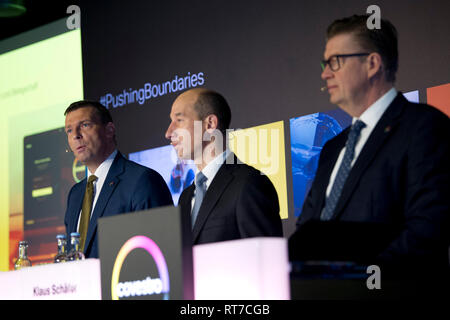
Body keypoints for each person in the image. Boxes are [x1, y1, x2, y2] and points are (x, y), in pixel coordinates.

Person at [295, 15, 450, 274]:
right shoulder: (333, 149)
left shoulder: (424, 128)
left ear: (372, 63)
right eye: (325, 63)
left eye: (335, 62)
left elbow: (428, 232)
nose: (324, 73)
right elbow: (307, 233)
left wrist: (352, 277)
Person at [165, 88, 283, 245]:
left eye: (179, 120)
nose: (168, 132)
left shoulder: (249, 184)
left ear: (210, 124)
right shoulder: (185, 197)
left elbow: (268, 260)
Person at [64, 100, 173, 258]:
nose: (75, 135)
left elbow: (157, 251)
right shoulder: (75, 194)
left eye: (85, 125)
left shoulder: (142, 181)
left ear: (109, 130)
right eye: (69, 130)